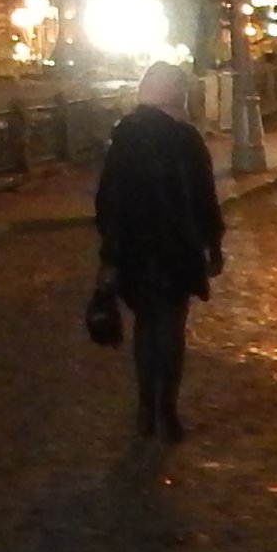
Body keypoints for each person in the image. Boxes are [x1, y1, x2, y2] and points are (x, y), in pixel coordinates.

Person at [93, 60, 227, 440]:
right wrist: (212, 243)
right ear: (178, 95)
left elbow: (107, 198)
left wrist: (112, 245)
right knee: (171, 328)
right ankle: (167, 408)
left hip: (134, 249)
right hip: (177, 247)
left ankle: (145, 408)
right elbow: (204, 198)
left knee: (146, 327)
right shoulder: (186, 139)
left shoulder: (125, 136)